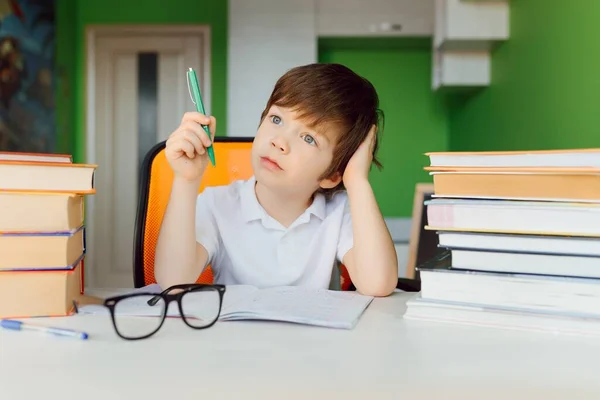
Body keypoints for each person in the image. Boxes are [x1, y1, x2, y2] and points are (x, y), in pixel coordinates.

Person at [154, 63, 398, 297]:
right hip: (232, 338)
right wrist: (186, 181)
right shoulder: (217, 203)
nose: (278, 141)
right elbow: (173, 281)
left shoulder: (341, 209)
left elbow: (377, 283)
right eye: (276, 119)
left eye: (309, 138)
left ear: (332, 175)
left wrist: (357, 181)